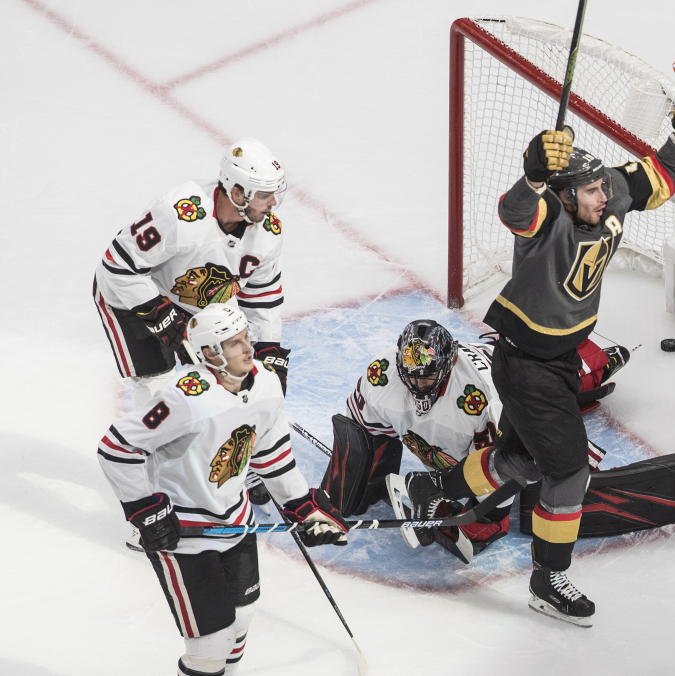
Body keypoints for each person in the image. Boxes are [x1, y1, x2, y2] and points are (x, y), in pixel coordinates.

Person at [399, 73, 675, 626]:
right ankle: (547, 577)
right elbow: (514, 211)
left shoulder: (604, 190)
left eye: (603, 189)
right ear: (564, 196)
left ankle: (431, 487)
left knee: (524, 458)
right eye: (590, 192)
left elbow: (661, 177)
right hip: (527, 365)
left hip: (559, 361)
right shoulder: (546, 220)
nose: (604, 198)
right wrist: (533, 173)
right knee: (567, 471)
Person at [97, 303, 346, 675]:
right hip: (185, 536)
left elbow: (271, 452)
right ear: (210, 353)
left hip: (237, 522)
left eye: (246, 338)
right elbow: (117, 447)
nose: (249, 349)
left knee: (241, 620)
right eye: (235, 343)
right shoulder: (184, 398)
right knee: (211, 644)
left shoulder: (265, 382)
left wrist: (301, 507)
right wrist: (146, 511)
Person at [320, 319, 630, 563]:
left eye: (427, 378)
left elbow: (506, 463)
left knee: (563, 391)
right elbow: (361, 427)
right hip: (486, 358)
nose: (418, 386)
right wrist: (360, 468)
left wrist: (485, 516)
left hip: (519, 382)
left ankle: (598, 362)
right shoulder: (382, 375)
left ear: (448, 365)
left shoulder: (482, 399)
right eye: (411, 377)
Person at [93, 138, 292, 404]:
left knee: (227, 381)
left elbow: (262, 295)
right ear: (236, 193)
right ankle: (148, 445)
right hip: (129, 295)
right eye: (264, 195)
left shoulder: (268, 233)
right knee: (158, 385)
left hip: (195, 302)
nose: (272, 203)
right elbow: (117, 266)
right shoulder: (180, 213)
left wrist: (269, 348)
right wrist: (163, 318)